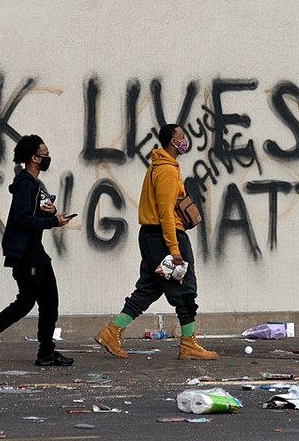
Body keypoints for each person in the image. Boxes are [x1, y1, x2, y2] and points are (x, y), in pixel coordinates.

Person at [93, 124, 218, 360]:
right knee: (185, 289)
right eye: (182, 136)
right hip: (165, 237)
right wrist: (175, 249)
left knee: (149, 288)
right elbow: (167, 213)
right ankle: (188, 344)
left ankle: (112, 331)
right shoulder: (167, 172)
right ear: (172, 140)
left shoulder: (159, 168)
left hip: (152, 237)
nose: (185, 140)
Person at [0, 134, 74, 367]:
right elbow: (21, 219)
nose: (48, 159)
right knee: (26, 302)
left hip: (35, 252)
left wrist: (48, 212)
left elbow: (29, 214)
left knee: (49, 301)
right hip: (27, 254)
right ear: (34, 158)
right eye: (45, 155)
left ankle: (46, 351)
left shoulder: (31, 184)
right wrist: (53, 222)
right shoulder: (26, 184)